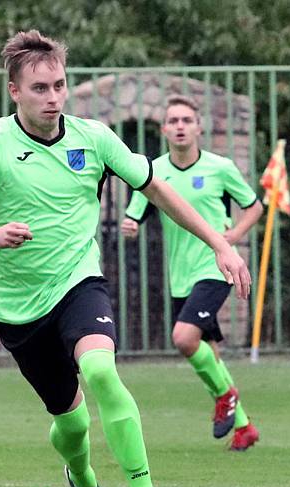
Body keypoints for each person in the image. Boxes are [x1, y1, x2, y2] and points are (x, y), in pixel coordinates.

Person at [0, 30, 251, 487]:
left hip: (80, 281)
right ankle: (81, 477)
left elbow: (158, 190)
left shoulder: (94, 137)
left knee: (101, 369)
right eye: (39, 88)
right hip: (17, 306)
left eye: (59, 85)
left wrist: (220, 242)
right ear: (14, 90)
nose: (53, 97)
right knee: (71, 423)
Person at [121, 95, 263, 451]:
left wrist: (234, 236)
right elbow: (136, 211)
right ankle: (243, 426)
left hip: (216, 268)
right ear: (164, 129)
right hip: (180, 275)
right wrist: (129, 224)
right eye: (174, 120)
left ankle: (226, 395)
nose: (181, 126)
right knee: (209, 351)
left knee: (184, 338)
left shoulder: (220, 167)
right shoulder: (155, 171)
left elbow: (254, 206)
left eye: (187, 120)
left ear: (199, 127)